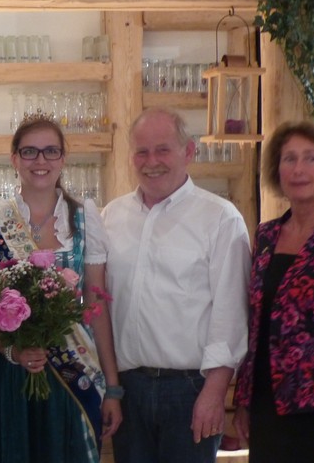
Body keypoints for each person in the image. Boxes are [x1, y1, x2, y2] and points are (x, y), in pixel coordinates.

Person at [0, 114, 123, 463]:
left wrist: (112, 387)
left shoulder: (84, 219)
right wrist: (13, 352)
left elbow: (96, 307)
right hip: (4, 372)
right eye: (29, 151)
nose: (40, 160)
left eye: (51, 151)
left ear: (63, 158)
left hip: (73, 370)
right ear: (14, 158)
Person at [101, 107, 251, 463]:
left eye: (163, 150)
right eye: (142, 151)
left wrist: (215, 393)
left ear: (189, 152)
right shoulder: (111, 217)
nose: (152, 161)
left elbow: (231, 315)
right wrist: (110, 387)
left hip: (191, 389)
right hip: (127, 389)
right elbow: (100, 305)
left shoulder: (221, 218)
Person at [233, 121, 314, 463]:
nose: (298, 169)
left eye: (310, 158)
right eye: (289, 158)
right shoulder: (266, 236)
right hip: (266, 406)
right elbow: (256, 326)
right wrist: (243, 400)